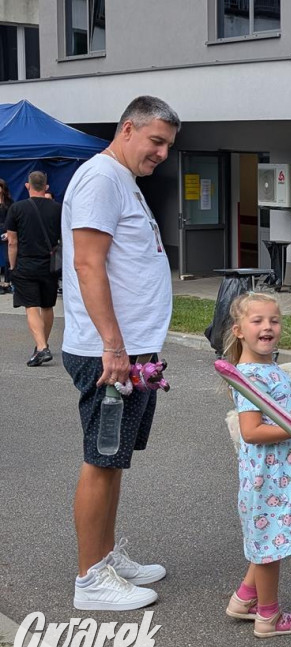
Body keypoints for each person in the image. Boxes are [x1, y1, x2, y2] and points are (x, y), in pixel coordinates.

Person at [62, 95, 180, 611]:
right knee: (101, 459)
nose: (162, 154)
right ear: (127, 129)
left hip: (131, 353)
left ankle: (105, 557)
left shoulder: (121, 180)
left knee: (114, 461)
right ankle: (91, 581)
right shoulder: (101, 178)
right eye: (156, 141)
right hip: (109, 354)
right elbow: (88, 264)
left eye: (168, 146)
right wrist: (113, 345)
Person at [223, 292, 291, 637]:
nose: (268, 327)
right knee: (268, 549)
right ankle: (268, 617)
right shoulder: (250, 375)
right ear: (238, 331)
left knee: (268, 542)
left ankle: (244, 599)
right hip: (267, 480)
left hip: (278, 476)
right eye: (258, 321)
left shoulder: (269, 369)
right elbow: (251, 432)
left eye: (274, 321)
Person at [5, 171, 62, 365]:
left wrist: (12, 266)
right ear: (46, 187)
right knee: (47, 305)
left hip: (26, 262)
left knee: (31, 306)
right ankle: (42, 345)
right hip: (51, 264)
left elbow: (12, 241)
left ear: (28, 186)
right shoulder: (57, 208)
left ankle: (41, 347)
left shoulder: (17, 208)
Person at [0, 178, 13, 294]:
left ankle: (7, 283)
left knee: (8, 258)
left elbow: (11, 218)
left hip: (6, 231)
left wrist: (8, 232)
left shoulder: (9, 202)